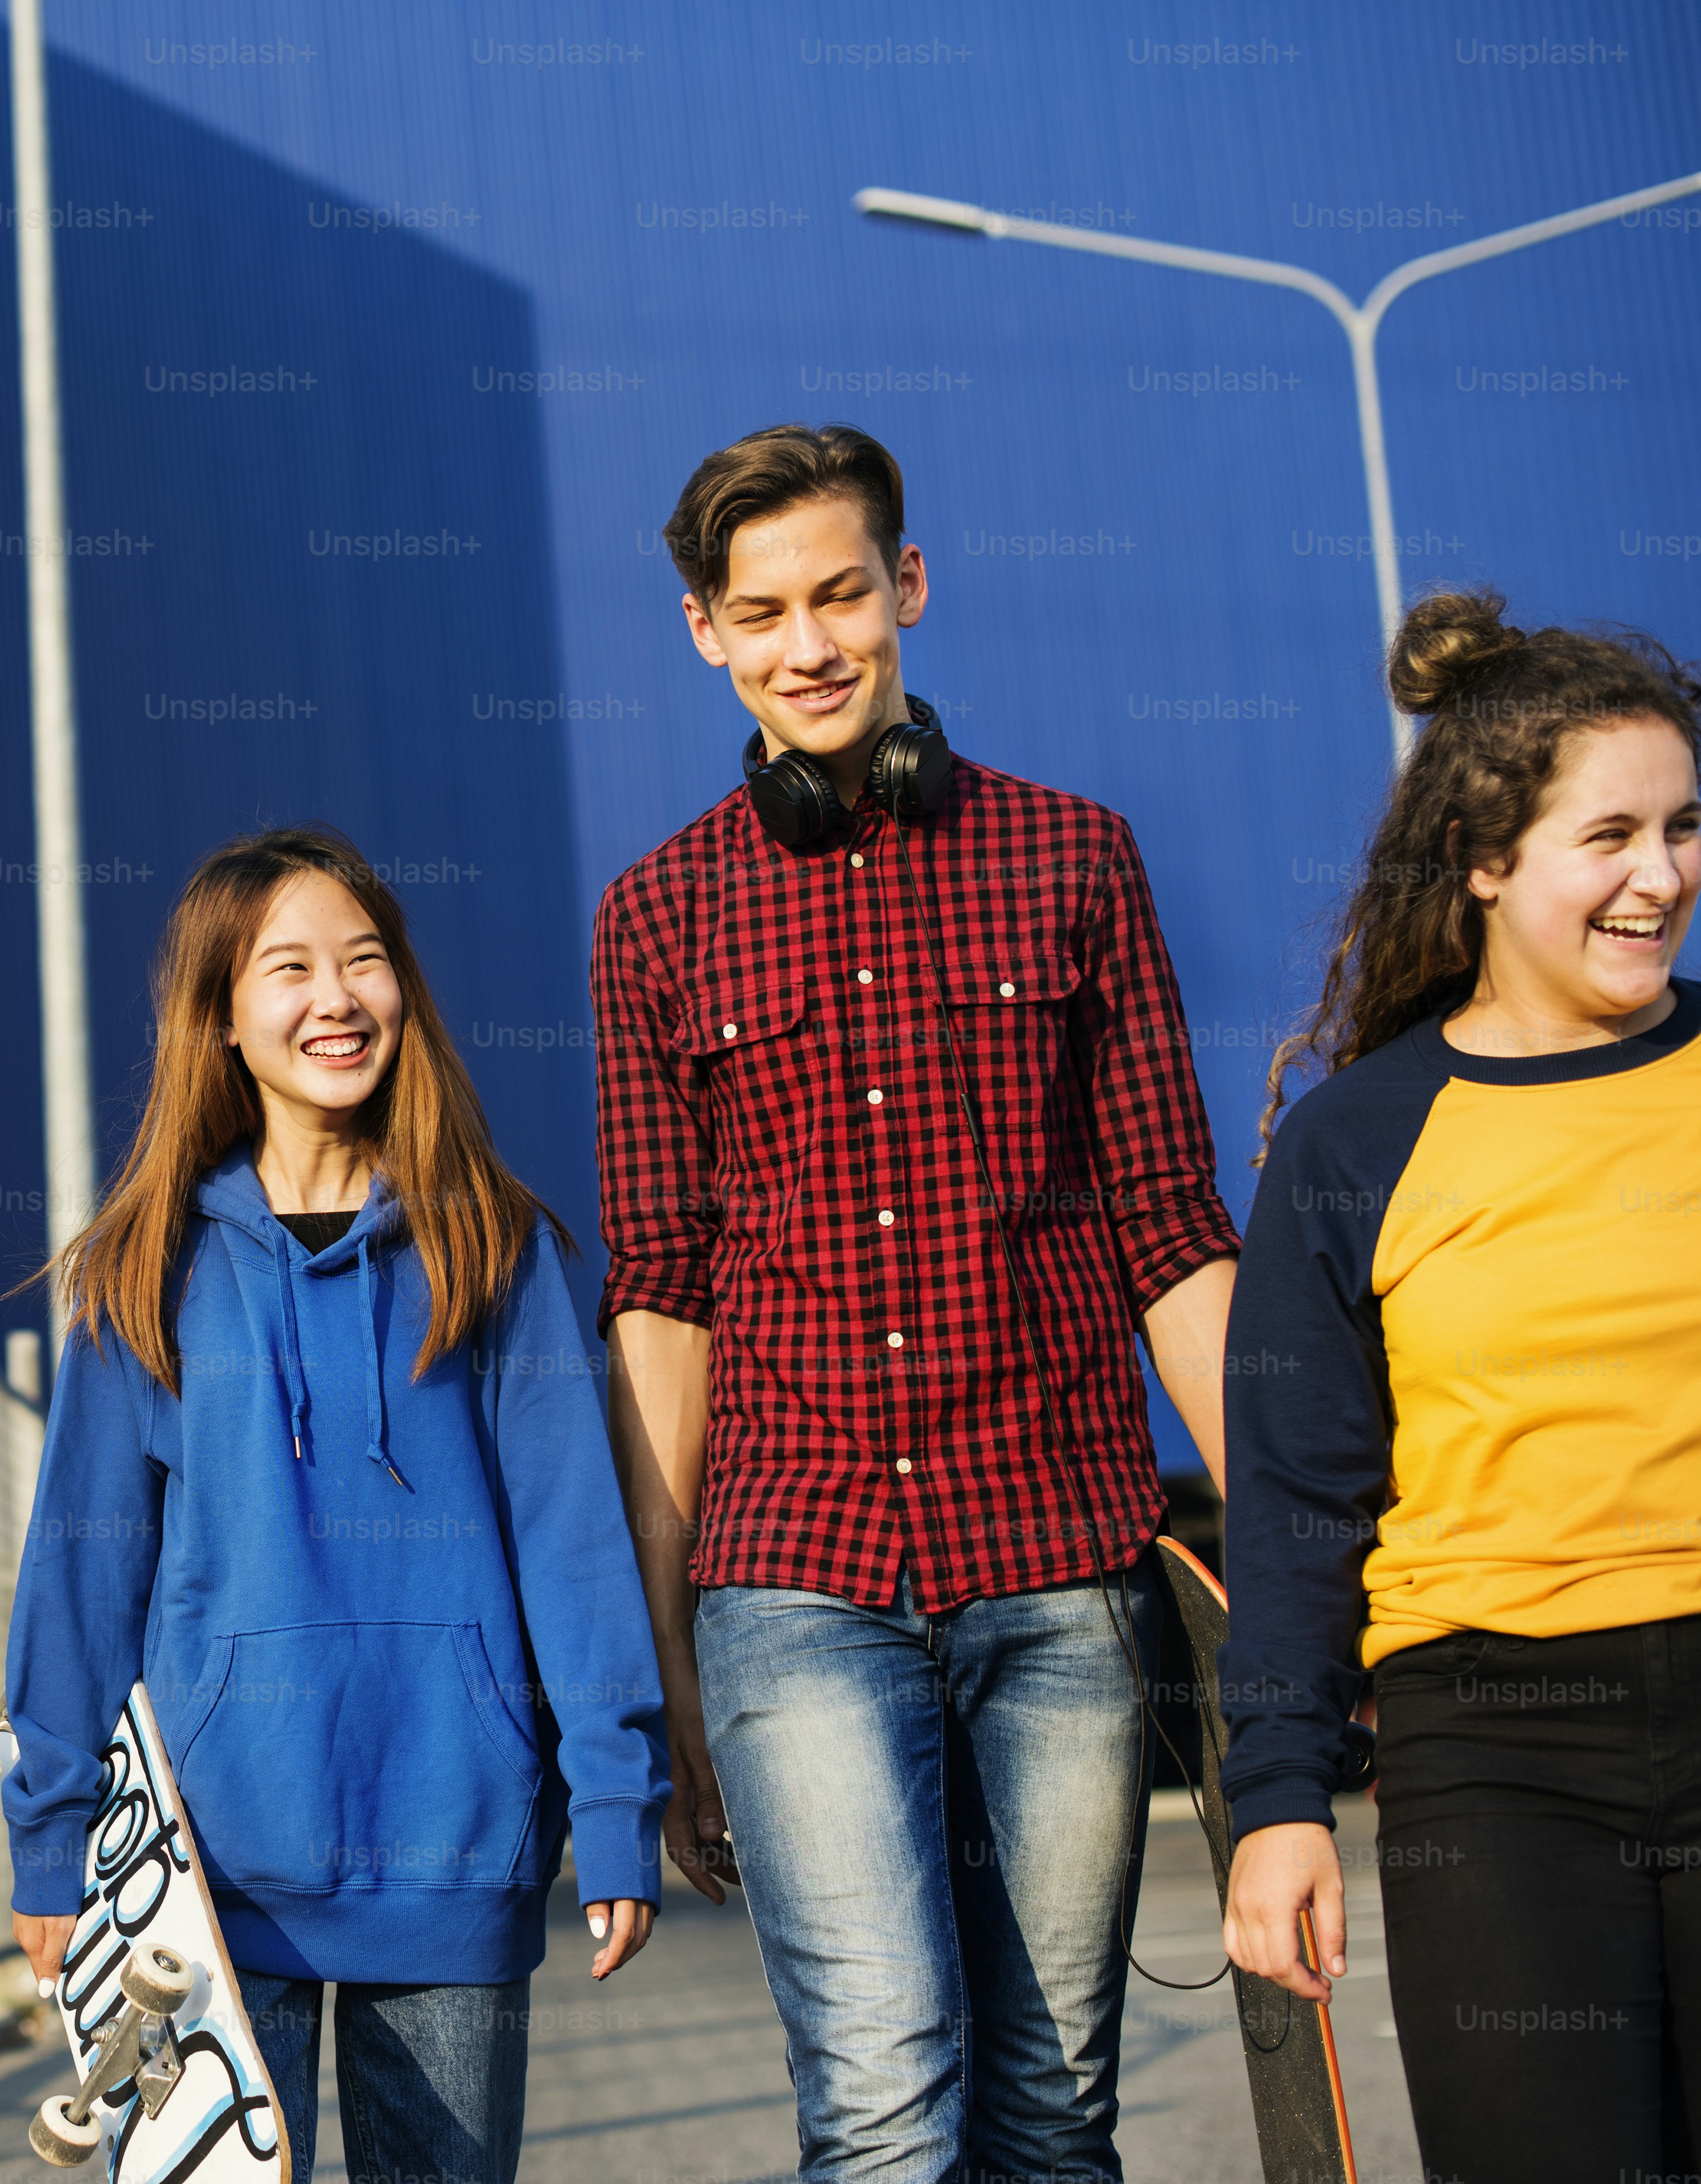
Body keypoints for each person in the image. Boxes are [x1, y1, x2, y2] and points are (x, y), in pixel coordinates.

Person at [592, 424, 1239, 2180]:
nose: (809, 643)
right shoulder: (654, 917)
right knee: (883, 2099)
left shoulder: (1078, 862)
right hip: (795, 1575)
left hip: (1061, 1554)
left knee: (1051, 2107)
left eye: (841, 593)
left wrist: (1305, 1561)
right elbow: (662, 1296)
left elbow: (1173, 1231)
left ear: (910, 587)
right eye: (762, 610)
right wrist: (668, 1656)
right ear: (702, 632)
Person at [1, 823, 668, 2184]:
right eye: (289, 967)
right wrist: (52, 1835)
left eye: (365, 962)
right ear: (224, 1019)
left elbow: (573, 1544)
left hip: (456, 1853)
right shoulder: (148, 1267)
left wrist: (615, 1797)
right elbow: (82, 1575)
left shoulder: (496, 1243)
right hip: (205, 1882)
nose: (336, 997)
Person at [1222, 594, 1701, 2183]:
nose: (1664, 876)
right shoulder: (1356, 1143)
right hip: (1491, 1759)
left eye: (1686, 827)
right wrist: (1280, 1798)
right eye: (1613, 833)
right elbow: (1299, 1502)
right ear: (1487, 860)